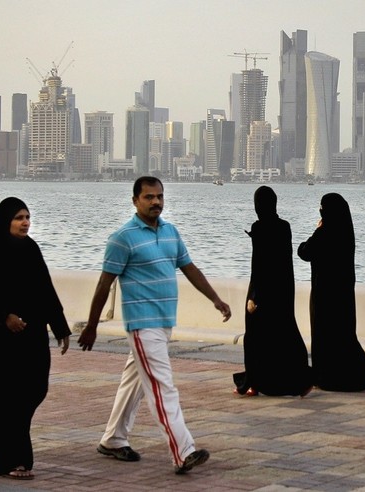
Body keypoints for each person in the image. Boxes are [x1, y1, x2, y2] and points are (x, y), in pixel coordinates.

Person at [78, 176, 231, 475]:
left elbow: (190, 268)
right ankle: (182, 451)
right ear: (135, 200)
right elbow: (103, 285)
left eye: (159, 196)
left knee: (134, 382)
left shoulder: (171, 232)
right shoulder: (122, 238)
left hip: (163, 322)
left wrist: (215, 298)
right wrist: (92, 325)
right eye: (148, 197)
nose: (156, 202)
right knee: (162, 387)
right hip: (142, 324)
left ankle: (112, 439)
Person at [0, 197, 71, 480]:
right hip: (1, 340)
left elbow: (45, 289)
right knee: (6, 397)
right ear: (5, 220)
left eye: (27, 217)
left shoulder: (31, 248)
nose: (25, 223)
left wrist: (60, 327)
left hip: (32, 336)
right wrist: (3, 316)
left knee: (34, 390)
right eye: (19, 218)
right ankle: (13, 460)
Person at [233, 186, 314, 397]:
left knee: (255, 337)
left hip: (262, 291)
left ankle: (253, 382)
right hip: (283, 291)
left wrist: (254, 297)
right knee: (286, 335)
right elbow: (283, 262)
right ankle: (302, 379)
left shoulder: (259, 228)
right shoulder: (284, 226)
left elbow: (260, 265)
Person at [297, 193, 365, 391]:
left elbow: (305, 251)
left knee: (325, 334)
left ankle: (327, 375)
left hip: (324, 293)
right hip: (343, 292)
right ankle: (351, 374)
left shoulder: (325, 232)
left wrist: (317, 230)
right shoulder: (346, 232)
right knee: (343, 333)